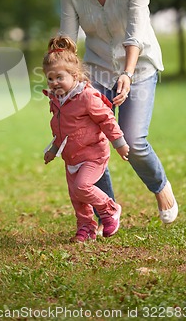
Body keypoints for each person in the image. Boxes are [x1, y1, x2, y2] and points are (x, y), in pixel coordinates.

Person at [59, 0, 178, 224]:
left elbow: (135, 30)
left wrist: (126, 72)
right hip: (96, 69)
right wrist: (61, 75)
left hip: (138, 67)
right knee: (86, 142)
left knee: (133, 138)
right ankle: (106, 211)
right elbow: (68, 37)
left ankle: (160, 186)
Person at [43, 35, 129, 242]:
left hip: (93, 153)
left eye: (59, 78)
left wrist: (120, 144)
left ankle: (110, 209)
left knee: (82, 187)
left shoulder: (87, 96)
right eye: (50, 78)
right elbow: (62, 130)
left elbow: (107, 119)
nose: (54, 83)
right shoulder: (57, 100)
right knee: (76, 196)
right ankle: (86, 228)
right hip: (72, 157)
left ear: (74, 75)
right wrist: (53, 150)